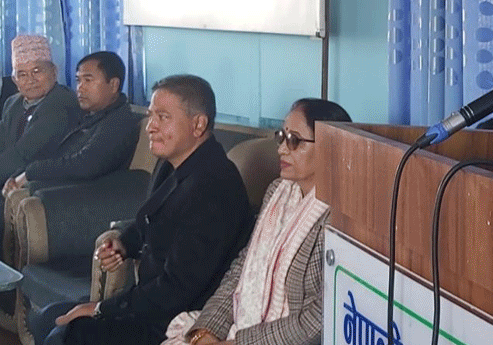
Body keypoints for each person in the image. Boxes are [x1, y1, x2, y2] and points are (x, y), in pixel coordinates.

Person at [36, 74, 253, 345]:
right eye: (151, 116)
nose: (150, 127)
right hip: (148, 305)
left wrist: (102, 309)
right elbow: (149, 220)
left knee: (65, 333)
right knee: (47, 317)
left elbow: (178, 290)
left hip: (175, 321)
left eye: (163, 117)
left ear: (198, 124)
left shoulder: (214, 187)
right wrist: (123, 244)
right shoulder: (172, 162)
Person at [164, 98, 350, 345]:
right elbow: (243, 268)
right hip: (241, 328)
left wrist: (239, 343)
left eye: (294, 140)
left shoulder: (340, 216)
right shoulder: (278, 192)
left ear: (330, 147)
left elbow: (322, 316)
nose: (281, 149)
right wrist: (207, 331)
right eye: (281, 137)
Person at [2, 51, 138, 195]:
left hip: (78, 198)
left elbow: (84, 165)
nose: (80, 88)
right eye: (78, 81)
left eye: (88, 80)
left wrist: (29, 173)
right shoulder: (90, 116)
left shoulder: (118, 121)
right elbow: (55, 154)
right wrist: (18, 175)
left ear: (114, 85)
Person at [0, 35, 81, 183]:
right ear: (14, 81)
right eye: (22, 74)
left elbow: (27, 153)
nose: (30, 80)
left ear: (54, 72)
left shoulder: (61, 101)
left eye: (37, 71)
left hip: (43, 182)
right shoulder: (12, 103)